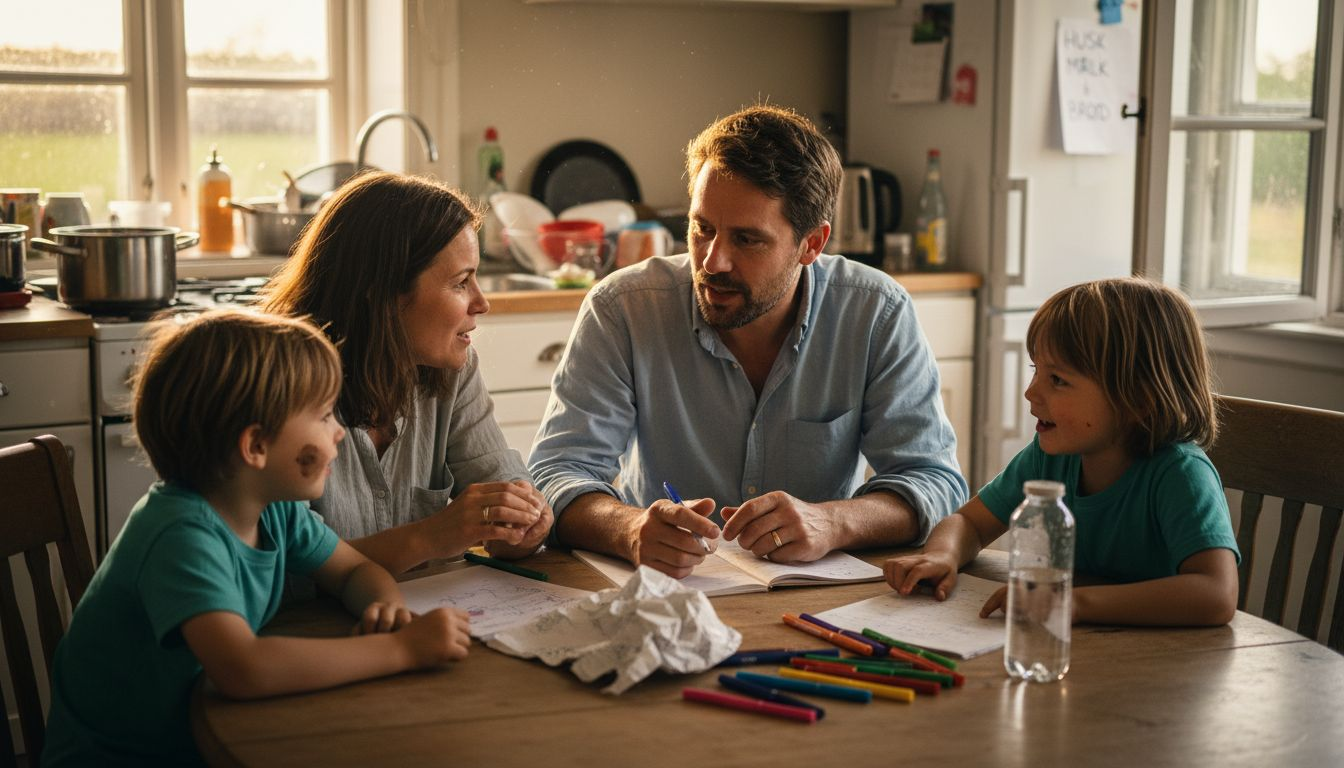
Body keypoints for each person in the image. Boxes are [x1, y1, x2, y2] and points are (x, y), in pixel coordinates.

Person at [528, 105, 968, 578]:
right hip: (663, 597)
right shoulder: (623, 309)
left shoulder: (876, 312)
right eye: (702, 229)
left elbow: (935, 481)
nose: (713, 261)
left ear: (811, 245)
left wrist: (833, 522)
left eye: (747, 239)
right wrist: (631, 529)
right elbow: (556, 474)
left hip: (821, 601)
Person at [42, 310, 470, 765]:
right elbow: (243, 669)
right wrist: (401, 649)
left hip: (199, 735)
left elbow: (354, 571)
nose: (340, 431)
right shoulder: (179, 534)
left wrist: (385, 608)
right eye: (324, 416)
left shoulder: (275, 510)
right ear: (256, 447)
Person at [885, 278, 1240, 626]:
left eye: (1057, 380)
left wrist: (1072, 602)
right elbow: (969, 523)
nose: (1030, 392)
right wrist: (942, 555)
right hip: (1072, 652)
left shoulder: (1180, 475)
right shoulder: (1049, 457)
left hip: (1165, 665)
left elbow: (1216, 594)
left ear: (1139, 399)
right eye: (1036, 369)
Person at [261, 172, 552, 575]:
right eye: (461, 282)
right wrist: (433, 536)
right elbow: (282, 573)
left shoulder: (451, 371)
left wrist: (525, 522)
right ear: (382, 294)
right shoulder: (275, 387)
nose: (482, 303)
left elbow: (505, 515)